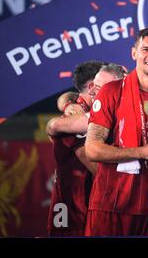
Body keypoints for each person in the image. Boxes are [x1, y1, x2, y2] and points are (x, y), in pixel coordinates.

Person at [84, 27, 148, 236]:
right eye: (145, 49)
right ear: (134, 53)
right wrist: (142, 152)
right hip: (112, 205)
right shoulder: (112, 91)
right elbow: (92, 149)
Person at [45, 60, 104, 236]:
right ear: (92, 86)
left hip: (85, 207)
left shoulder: (84, 112)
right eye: (106, 83)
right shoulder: (71, 123)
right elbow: (97, 169)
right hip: (73, 213)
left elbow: (68, 97)